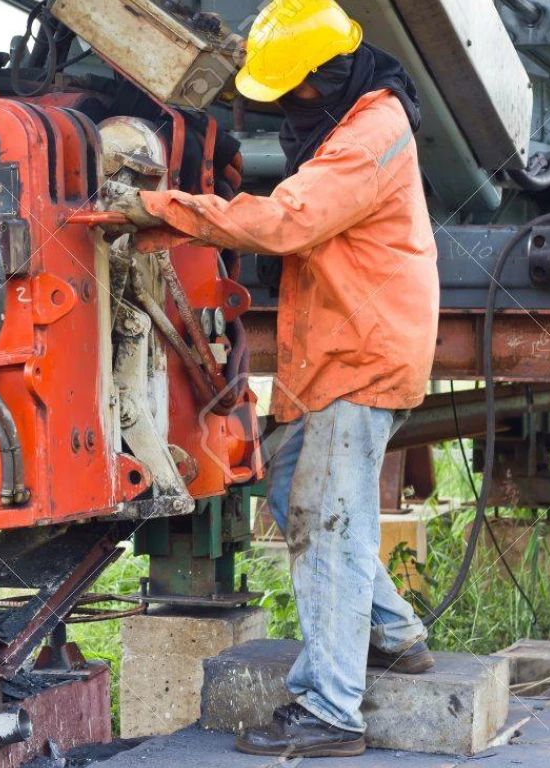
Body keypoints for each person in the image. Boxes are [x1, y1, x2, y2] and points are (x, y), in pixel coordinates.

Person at [104, 0, 440, 759]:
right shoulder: (352, 120)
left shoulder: (367, 137)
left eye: (292, 92)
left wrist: (158, 206)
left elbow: (289, 222)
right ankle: (395, 632)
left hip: (360, 353)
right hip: (340, 346)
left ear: (324, 78)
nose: (288, 108)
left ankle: (331, 711)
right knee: (294, 492)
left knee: (326, 523)